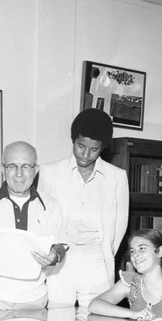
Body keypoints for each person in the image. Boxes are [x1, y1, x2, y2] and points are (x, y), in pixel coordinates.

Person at [38, 108, 129, 308]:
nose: (85, 155)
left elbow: (119, 227)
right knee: (58, 320)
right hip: (61, 260)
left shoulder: (117, 177)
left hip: (97, 260)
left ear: (103, 147)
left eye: (94, 149)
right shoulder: (49, 173)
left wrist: (102, 254)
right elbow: (43, 219)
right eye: (80, 146)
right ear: (73, 140)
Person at [0, 141, 66, 311]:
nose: (19, 174)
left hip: (35, 300)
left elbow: (59, 247)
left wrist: (55, 256)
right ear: (3, 169)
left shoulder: (51, 205)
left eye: (25, 166)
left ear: (36, 169)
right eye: (12, 166)